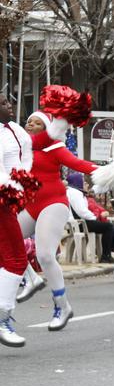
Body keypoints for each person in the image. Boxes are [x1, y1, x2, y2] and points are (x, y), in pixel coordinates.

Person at [19, 95, 114, 328]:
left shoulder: (55, 147)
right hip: (29, 203)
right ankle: (31, 277)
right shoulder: (21, 148)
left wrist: (107, 172)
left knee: (46, 256)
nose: (30, 124)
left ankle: (62, 306)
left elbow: (79, 165)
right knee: (5, 240)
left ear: (47, 127)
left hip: (53, 203)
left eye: (36, 122)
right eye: (28, 121)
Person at [0, 93, 33, 347]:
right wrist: (13, 194)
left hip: (10, 199)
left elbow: (27, 157)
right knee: (16, 260)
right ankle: (2, 319)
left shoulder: (15, 130)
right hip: (2, 201)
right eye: (2, 103)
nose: (9, 105)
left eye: (9, 101)